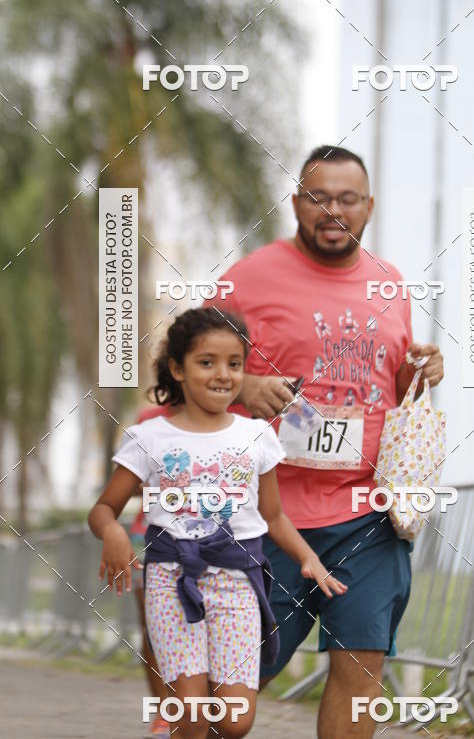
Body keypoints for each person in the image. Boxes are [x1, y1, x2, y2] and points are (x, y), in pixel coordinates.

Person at [214, 145, 445, 739]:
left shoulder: (391, 284)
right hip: (267, 515)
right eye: (319, 198)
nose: (333, 210)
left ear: (368, 207)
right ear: (296, 204)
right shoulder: (247, 278)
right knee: (236, 685)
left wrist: (419, 371)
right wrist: (246, 386)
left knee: (361, 668)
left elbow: (391, 385)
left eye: (347, 199)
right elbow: (182, 366)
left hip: (367, 513)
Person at [88, 306, 346, 739]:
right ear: (178, 368)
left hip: (237, 583)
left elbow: (274, 515)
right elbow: (103, 508)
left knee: (235, 721)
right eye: (206, 362)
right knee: (190, 716)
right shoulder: (148, 439)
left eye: (235, 364)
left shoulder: (257, 435)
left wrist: (308, 558)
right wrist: (112, 532)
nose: (222, 374)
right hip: (171, 582)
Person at [128, 403, 173, 739]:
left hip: (211, 542)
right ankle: (164, 710)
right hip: (150, 534)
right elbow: (130, 482)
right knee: (154, 625)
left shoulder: (236, 416)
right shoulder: (149, 419)